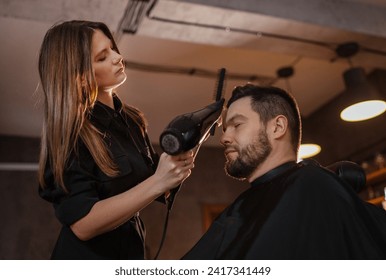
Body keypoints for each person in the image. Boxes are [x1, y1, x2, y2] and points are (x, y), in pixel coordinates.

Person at [37, 20, 194, 260]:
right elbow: (83, 224)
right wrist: (159, 182)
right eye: (102, 57)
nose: (117, 57)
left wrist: (186, 150)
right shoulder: (71, 135)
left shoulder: (132, 121)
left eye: (112, 48)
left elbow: (158, 185)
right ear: (79, 77)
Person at [182, 84, 386, 259]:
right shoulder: (246, 204)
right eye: (225, 129)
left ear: (277, 127)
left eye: (237, 125)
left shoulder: (312, 185)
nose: (224, 138)